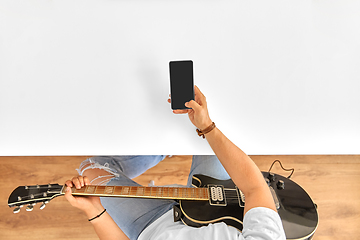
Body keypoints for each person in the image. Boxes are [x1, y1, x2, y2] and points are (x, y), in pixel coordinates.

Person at [64, 86, 286, 240]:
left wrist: (94, 210)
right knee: (214, 131)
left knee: (90, 168)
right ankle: (176, 143)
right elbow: (256, 188)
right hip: (218, 205)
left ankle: (161, 150)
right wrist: (207, 126)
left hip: (150, 226)